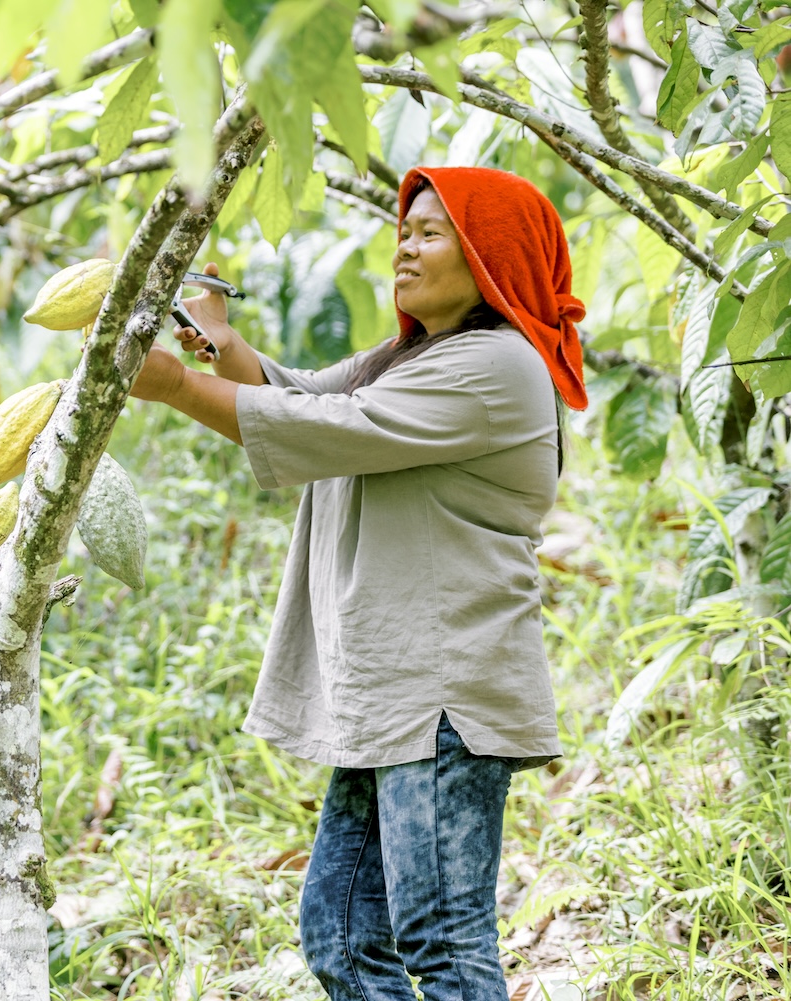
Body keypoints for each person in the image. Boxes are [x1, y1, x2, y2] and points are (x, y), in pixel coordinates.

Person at [130, 166, 588, 1000]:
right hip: (398, 703)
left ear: (491, 254)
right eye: (401, 233)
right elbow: (302, 393)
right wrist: (216, 339)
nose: (403, 251)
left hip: (446, 700)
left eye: (429, 233)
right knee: (342, 937)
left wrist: (176, 385)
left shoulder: (496, 367)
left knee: (444, 944)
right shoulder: (411, 358)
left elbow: (333, 426)